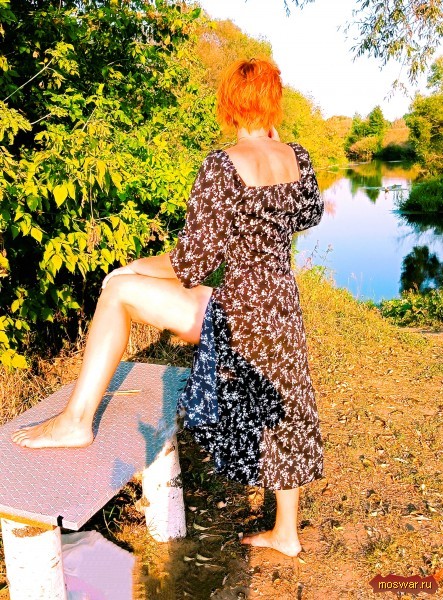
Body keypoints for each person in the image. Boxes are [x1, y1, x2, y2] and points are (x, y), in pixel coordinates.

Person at [11, 58, 325, 558]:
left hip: (236, 317)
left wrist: (132, 268)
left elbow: (192, 263)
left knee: (118, 290)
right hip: (281, 310)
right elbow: (309, 213)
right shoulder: (299, 159)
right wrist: (279, 144)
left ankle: (76, 421)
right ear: (274, 102)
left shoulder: (223, 166)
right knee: (285, 407)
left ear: (228, 104)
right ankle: (286, 532)